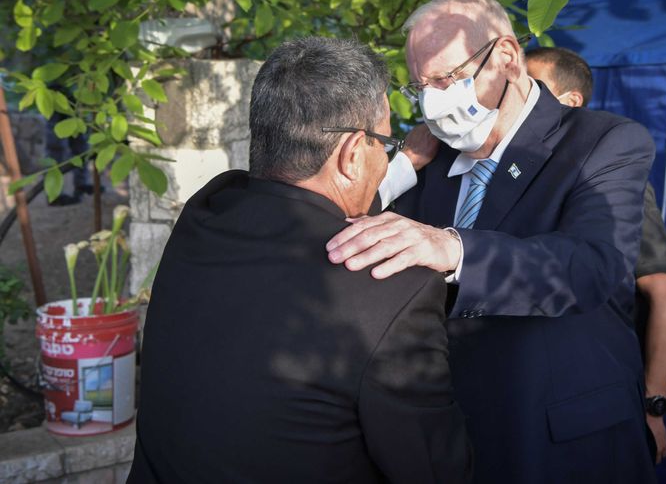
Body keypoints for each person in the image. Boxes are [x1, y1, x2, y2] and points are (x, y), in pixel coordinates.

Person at [326, 0, 656, 483]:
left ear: (505, 57)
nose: (434, 102)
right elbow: (342, 232)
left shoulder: (603, 142)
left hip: (563, 446)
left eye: (449, 78)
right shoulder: (429, 162)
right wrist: (401, 169)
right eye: (421, 87)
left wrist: (452, 248)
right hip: (454, 443)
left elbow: (592, 267)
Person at [128, 37, 472, 484]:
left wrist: (403, 161)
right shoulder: (391, 288)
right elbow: (434, 468)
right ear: (351, 154)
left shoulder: (206, 214)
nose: (385, 161)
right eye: (383, 145)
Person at [526, 45, 666, 465]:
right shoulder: (516, 173)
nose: (518, 95)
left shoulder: (607, 181)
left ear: (570, 101)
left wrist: (654, 406)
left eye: (531, 85)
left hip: (593, 406)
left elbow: (665, 295)